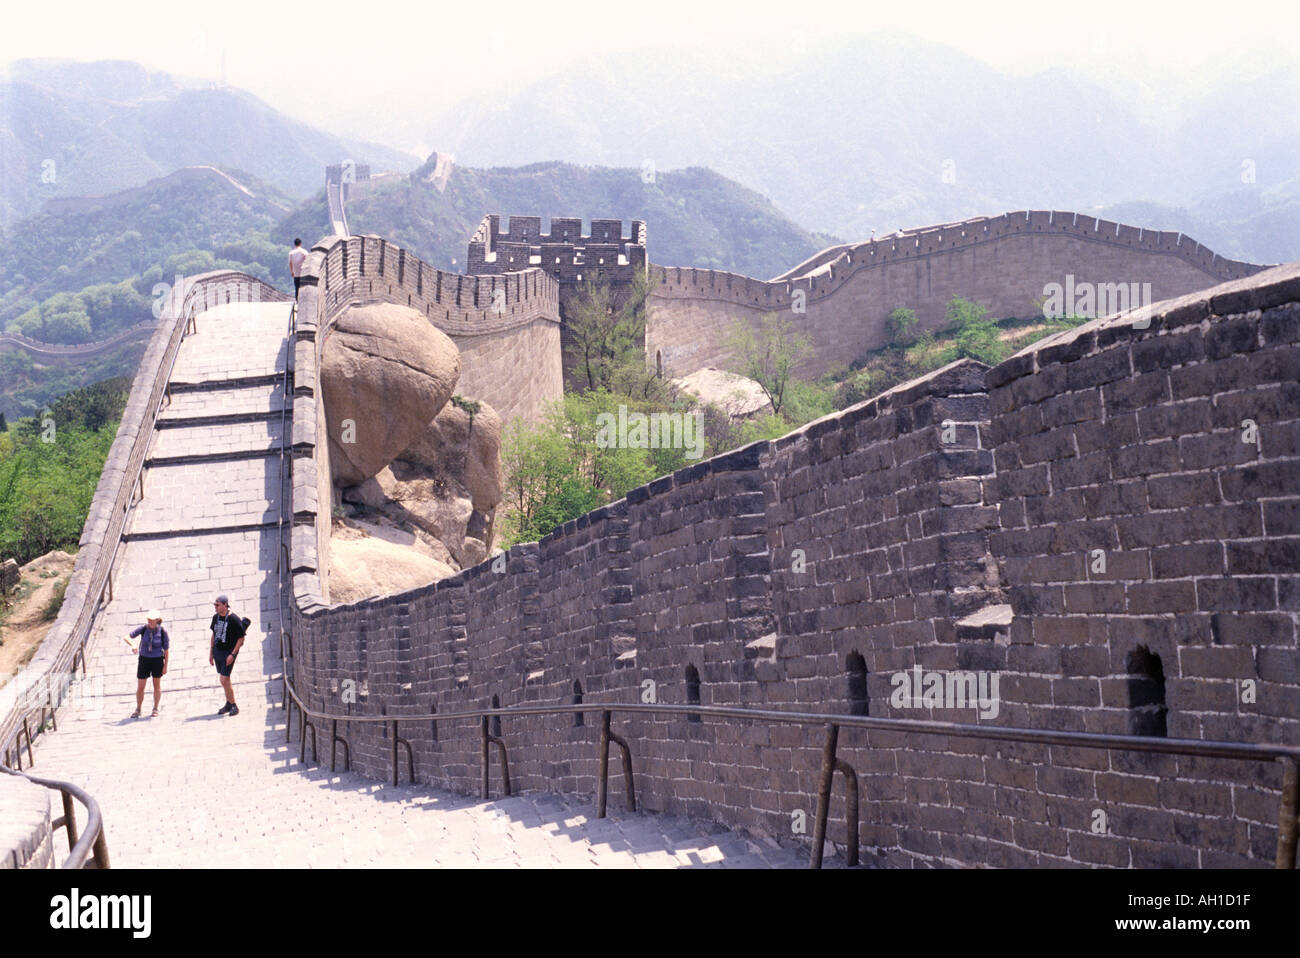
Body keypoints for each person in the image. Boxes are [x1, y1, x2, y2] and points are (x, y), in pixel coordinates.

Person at [123, 609, 169, 718]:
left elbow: (166, 650)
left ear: (157, 620)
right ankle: (138, 708)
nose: (149, 621)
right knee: (140, 687)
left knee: (156, 685)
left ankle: (155, 708)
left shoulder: (162, 632)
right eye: (148, 619)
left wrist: (165, 665)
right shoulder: (143, 629)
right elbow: (127, 637)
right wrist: (133, 645)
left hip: (157, 660)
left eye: (152, 620)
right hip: (144, 659)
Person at [209, 595, 248, 716]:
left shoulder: (233, 619)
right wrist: (211, 653)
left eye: (218, 605)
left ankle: (234, 705)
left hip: (228, 653)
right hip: (218, 652)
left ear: (225, 605)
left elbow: (241, 639)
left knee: (224, 679)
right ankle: (229, 704)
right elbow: (214, 635)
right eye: (215, 605)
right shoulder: (216, 618)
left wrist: (233, 654)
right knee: (225, 681)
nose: (215, 607)